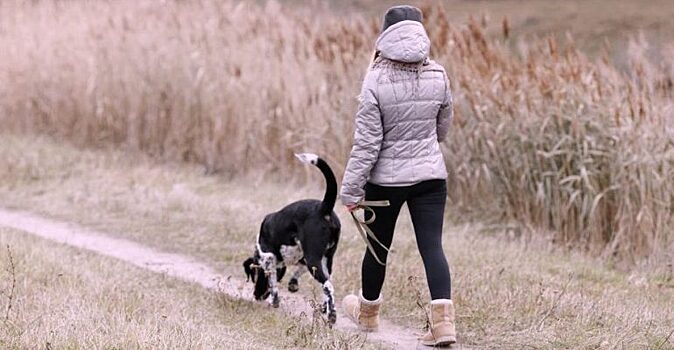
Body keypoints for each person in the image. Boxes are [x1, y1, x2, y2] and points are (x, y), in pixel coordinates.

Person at [340, 5, 457, 347]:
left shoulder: (375, 78)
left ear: (385, 35)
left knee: (378, 248)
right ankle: (444, 324)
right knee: (432, 247)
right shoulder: (438, 73)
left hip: (386, 182)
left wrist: (350, 191)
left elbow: (367, 144)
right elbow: (443, 129)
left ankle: (368, 314)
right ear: (420, 33)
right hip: (431, 177)